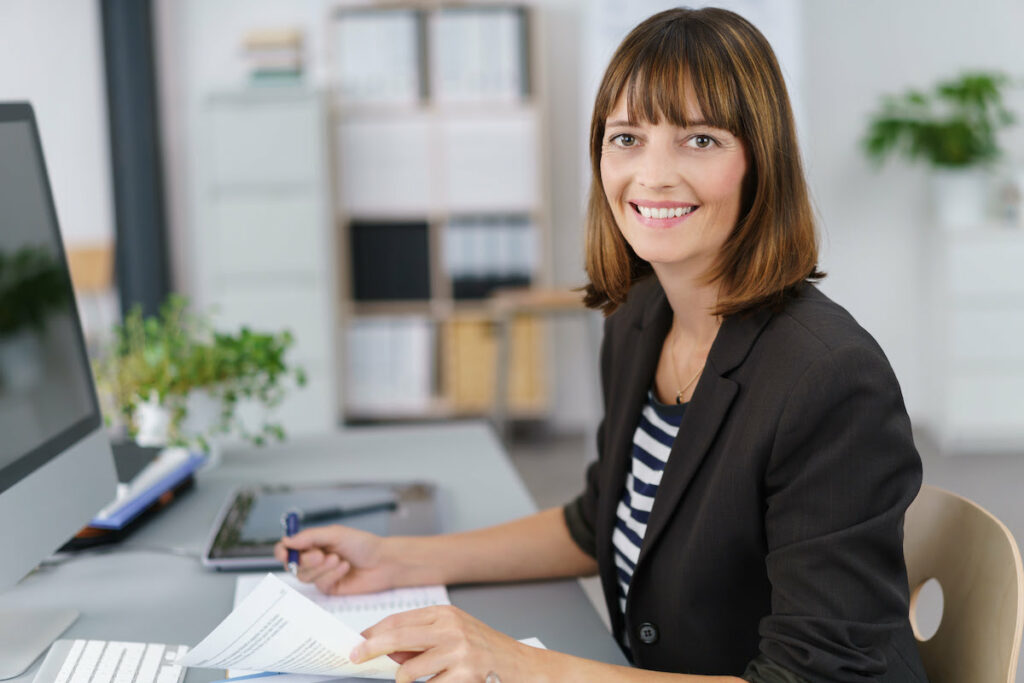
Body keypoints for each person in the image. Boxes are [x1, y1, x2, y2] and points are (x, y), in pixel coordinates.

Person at [276, 7, 929, 682]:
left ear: (761, 162)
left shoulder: (829, 379)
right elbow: (600, 519)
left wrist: (524, 664)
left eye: (699, 140)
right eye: (627, 138)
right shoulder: (640, 317)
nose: (653, 175)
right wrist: (397, 559)